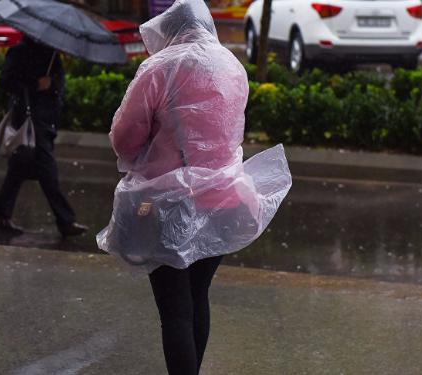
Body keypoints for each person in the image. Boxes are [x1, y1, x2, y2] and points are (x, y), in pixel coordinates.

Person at [100, 0, 291, 374]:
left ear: (170, 29)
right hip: (225, 198)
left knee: (175, 312)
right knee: (197, 295)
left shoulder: (159, 67)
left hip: (169, 206)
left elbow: (124, 138)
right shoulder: (230, 65)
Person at [0, 36, 88, 238]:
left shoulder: (53, 55)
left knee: (17, 170)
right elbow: (5, 81)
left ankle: (0, 215)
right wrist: (34, 85)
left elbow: (58, 88)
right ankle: (65, 221)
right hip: (29, 123)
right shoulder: (19, 52)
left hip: (46, 122)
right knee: (47, 172)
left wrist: (51, 86)